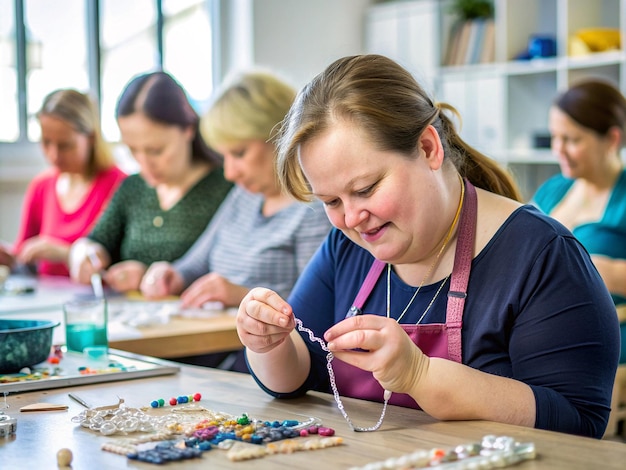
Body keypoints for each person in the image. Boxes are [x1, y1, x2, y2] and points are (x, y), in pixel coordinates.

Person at [236, 54, 620, 438]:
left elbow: (578, 421)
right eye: (332, 202)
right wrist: (268, 344)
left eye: (365, 189)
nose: (351, 219)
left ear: (427, 147)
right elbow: (298, 374)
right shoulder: (345, 248)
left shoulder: (542, 256)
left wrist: (419, 375)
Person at [140, 70, 331, 309]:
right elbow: (194, 263)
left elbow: (315, 307)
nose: (229, 173)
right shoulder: (244, 196)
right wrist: (170, 274)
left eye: (239, 153)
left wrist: (243, 296)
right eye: (224, 156)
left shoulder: (313, 209)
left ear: (280, 136)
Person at [69, 71, 233, 292]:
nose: (144, 163)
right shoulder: (133, 188)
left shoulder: (227, 186)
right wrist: (85, 255)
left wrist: (148, 277)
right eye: (133, 150)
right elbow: (94, 241)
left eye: (155, 150)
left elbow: (229, 270)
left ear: (188, 129)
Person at [531, 78, 626, 365]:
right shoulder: (552, 189)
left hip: (608, 332)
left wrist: (605, 272)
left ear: (612, 139)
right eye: (554, 137)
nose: (558, 149)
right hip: (545, 327)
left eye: (572, 140)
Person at [0, 89, 126, 276]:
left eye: (65, 145)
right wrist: (11, 258)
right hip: (44, 299)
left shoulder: (120, 186)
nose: (53, 155)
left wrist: (67, 254)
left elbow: (122, 265)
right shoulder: (41, 186)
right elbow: (23, 255)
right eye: (46, 142)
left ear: (91, 138)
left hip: (96, 301)